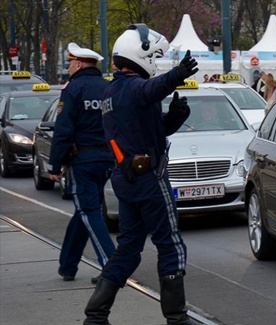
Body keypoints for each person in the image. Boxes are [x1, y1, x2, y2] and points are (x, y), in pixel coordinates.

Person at [83, 23, 198, 325]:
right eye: (155, 57)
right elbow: (150, 89)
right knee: (171, 244)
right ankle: (177, 319)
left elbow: (143, 131)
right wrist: (178, 74)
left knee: (129, 250)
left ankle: (95, 316)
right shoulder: (134, 87)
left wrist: (173, 118)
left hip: (126, 180)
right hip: (149, 179)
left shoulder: (113, 91)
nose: (157, 63)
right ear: (141, 53)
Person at [48, 43, 116, 285]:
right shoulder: (108, 88)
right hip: (108, 158)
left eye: (69, 63)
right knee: (83, 212)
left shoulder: (73, 89)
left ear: (77, 63)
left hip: (83, 160)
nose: (68, 67)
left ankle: (111, 267)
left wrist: (54, 166)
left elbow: (63, 130)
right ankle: (68, 265)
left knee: (89, 212)